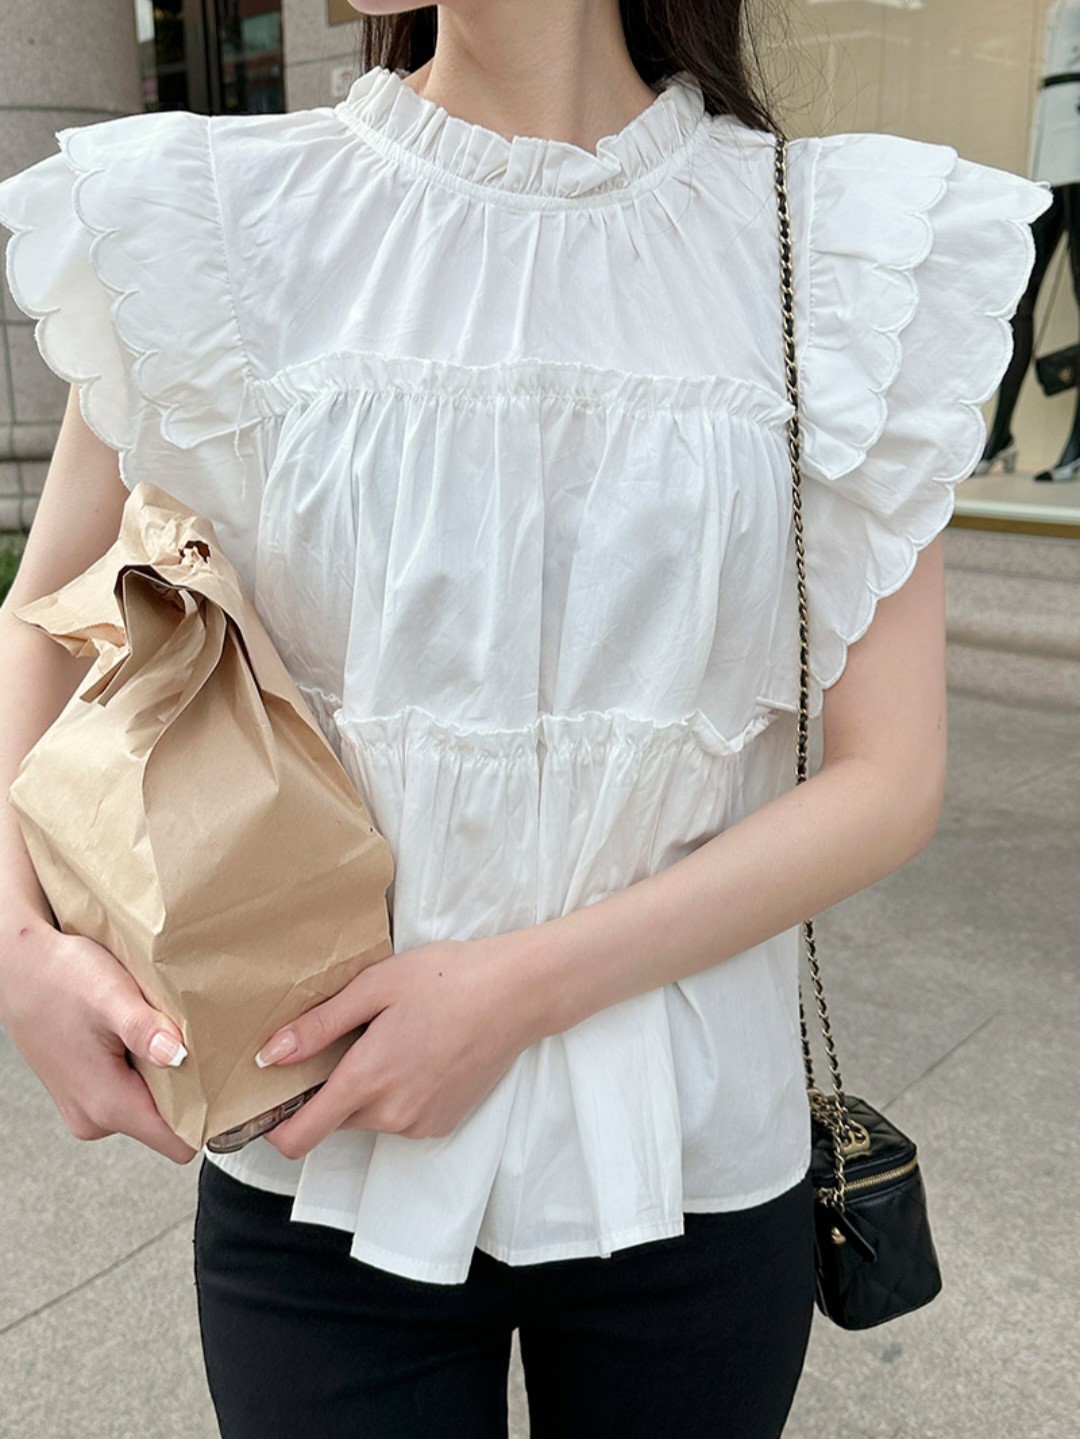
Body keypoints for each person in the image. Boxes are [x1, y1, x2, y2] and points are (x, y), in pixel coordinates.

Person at [0, 2, 1053, 1436]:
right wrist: (20, 951)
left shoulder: (840, 247)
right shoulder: (208, 221)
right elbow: (44, 616)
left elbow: (889, 777)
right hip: (310, 1146)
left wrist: (508, 993)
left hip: (687, 1157)